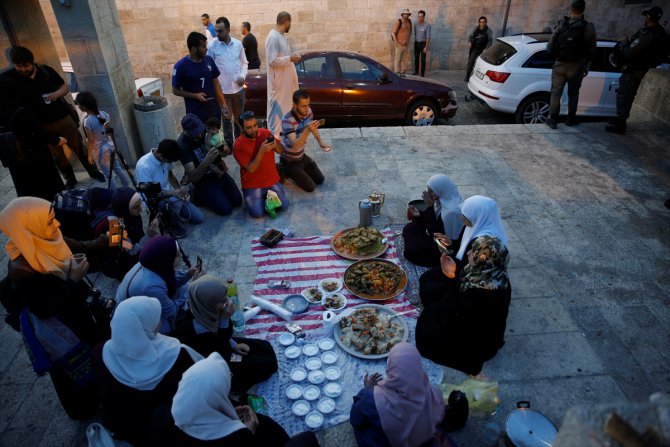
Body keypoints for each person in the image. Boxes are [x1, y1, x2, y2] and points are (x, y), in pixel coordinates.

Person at [0, 197, 108, 419]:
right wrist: (73, 281)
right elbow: (43, 309)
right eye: (49, 222)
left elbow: (77, 245)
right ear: (29, 228)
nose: (56, 225)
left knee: (92, 356)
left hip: (79, 315)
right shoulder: (22, 270)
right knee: (72, 370)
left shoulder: (49, 238)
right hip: (62, 328)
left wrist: (102, 242)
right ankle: (84, 408)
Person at [416, 195, 511, 376]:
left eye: (473, 254)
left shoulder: (483, 293)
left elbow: (453, 311)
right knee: (429, 286)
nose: (469, 254)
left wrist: (451, 277)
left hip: (475, 338)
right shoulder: (491, 272)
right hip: (466, 311)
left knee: (426, 330)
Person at [92, 296, 203, 446]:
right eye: (155, 318)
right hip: (171, 429)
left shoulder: (100, 352)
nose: (159, 321)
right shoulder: (176, 355)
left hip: (129, 431)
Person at [155, 352, 319, 447]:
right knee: (306, 439)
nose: (231, 376)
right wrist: (250, 432)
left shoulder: (163, 414)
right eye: (226, 380)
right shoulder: (236, 437)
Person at [1, 46, 105, 189]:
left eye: (26, 65)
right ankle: (70, 178)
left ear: (32, 62)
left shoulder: (46, 71)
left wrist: (56, 95)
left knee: (80, 147)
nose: (23, 69)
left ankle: (93, 172)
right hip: (41, 125)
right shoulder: (10, 78)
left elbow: (64, 87)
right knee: (57, 155)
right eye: (19, 66)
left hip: (62, 118)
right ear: (14, 64)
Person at [174, 275, 278, 392]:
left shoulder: (205, 309)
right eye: (223, 301)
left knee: (265, 347)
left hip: (223, 342)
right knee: (268, 363)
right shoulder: (193, 329)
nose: (227, 302)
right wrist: (225, 321)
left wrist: (234, 344)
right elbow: (218, 351)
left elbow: (222, 336)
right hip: (217, 361)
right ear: (209, 302)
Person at [350, 343, 445, 447]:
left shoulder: (372, 398)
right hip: (422, 443)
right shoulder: (435, 392)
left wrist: (367, 390)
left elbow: (355, 420)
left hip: (388, 443)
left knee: (362, 429)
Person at [116, 235, 202, 334]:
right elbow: (172, 312)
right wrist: (193, 288)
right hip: (133, 322)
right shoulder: (151, 286)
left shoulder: (150, 263)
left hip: (140, 304)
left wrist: (187, 274)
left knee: (185, 289)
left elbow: (168, 278)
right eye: (177, 254)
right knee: (184, 308)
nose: (181, 256)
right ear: (166, 259)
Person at [606, 6, 667, 135]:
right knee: (627, 94)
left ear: (649, 18)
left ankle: (621, 123)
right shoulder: (659, 32)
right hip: (642, 68)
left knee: (624, 94)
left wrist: (624, 43)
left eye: (646, 16)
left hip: (634, 69)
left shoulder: (647, 34)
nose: (645, 19)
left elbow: (629, 52)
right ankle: (620, 119)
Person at [135, 139, 204, 238]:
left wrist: (180, 190)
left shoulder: (165, 157)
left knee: (199, 218)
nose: (170, 163)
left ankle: (172, 214)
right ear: (160, 156)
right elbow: (150, 194)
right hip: (155, 200)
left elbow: (171, 177)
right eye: (169, 161)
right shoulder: (144, 166)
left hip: (169, 194)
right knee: (165, 204)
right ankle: (170, 225)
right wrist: (173, 192)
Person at [177, 113, 243, 216]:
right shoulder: (183, 145)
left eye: (200, 131)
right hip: (203, 178)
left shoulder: (204, 128)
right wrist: (206, 161)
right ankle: (197, 194)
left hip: (217, 170)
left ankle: (217, 192)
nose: (199, 135)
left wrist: (224, 149)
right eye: (195, 133)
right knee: (225, 209)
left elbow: (221, 141)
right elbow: (193, 176)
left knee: (237, 201)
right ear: (185, 131)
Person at [89, 187, 160, 280]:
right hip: (115, 262)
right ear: (124, 208)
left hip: (123, 247)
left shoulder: (128, 212)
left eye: (140, 203)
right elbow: (131, 251)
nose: (141, 210)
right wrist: (148, 236)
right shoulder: (114, 226)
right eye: (135, 207)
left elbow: (138, 235)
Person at [545, 0, 597, 129]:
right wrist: (587, 66)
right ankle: (571, 119)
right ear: (583, 10)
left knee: (556, 93)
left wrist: (556, 57)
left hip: (560, 65)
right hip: (576, 66)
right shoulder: (589, 27)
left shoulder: (562, 24)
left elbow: (550, 46)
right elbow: (592, 50)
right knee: (573, 94)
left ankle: (552, 120)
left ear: (571, 9)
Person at [233, 111, 289, 218]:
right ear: (242, 128)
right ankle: (260, 198)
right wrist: (261, 150)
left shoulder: (265, 133)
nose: (254, 130)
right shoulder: (239, 145)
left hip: (271, 181)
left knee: (284, 206)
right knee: (257, 214)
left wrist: (275, 145)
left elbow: (281, 150)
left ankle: (265, 197)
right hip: (252, 185)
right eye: (249, 127)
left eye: (255, 125)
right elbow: (251, 169)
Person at [4, 107, 65, 201]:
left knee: (27, 188)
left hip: (12, 150)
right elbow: (35, 128)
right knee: (46, 186)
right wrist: (55, 140)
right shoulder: (22, 108)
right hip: (32, 151)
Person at [403, 174, 464, 267]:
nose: (428, 193)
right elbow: (434, 220)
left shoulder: (451, 212)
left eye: (432, 191)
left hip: (443, 247)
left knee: (410, 251)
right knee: (409, 228)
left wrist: (429, 207)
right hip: (435, 235)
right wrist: (420, 215)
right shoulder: (443, 200)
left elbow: (434, 232)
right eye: (428, 190)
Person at [172, 32, 230, 126]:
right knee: (200, 138)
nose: (206, 49)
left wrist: (223, 104)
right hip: (196, 113)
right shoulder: (180, 66)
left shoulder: (209, 60)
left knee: (214, 139)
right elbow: (175, 90)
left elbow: (216, 82)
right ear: (194, 49)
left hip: (213, 111)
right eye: (203, 47)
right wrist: (195, 95)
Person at [207, 16, 249, 148]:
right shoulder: (213, 46)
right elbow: (209, 66)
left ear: (228, 30)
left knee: (239, 117)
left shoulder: (238, 44)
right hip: (222, 92)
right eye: (216, 31)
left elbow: (244, 63)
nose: (217, 34)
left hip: (238, 90)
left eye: (220, 31)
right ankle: (230, 145)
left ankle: (240, 141)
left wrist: (243, 75)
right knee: (226, 118)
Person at [75, 91, 130, 189]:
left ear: (83, 107)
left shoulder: (88, 121)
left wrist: (90, 155)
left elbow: (91, 140)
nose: (78, 106)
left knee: (108, 176)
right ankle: (126, 186)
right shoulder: (104, 114)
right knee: (117, 168)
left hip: (100, 150)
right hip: (110, 145)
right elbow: (108, 130)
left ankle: (113, 194)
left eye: (78, 104)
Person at [281, 89, 330, 192]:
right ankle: (284, 169)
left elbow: (312, 127)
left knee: (320, 179)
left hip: (301, 155)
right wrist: (307, 130)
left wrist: (320, 142)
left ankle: (299, 171)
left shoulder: (308, 112)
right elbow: (295, 145)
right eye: (303, 106)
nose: (307, 109)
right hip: (290, 159)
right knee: (310, 187)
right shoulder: (287, 120)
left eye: (308, 105)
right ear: (294, 105)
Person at [265, 11, 301, 136]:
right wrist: (290, 58)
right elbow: (272, 60)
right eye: (290, 23)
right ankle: (275, 136)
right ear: (286, 22)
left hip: (285, 83)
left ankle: (284, 132)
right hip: (279, 84)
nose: (290, 25)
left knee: (286, 108)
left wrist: (291, 57)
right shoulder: (273, 37)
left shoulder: (280, 36)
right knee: (277, 110)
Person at [465, 17, 493, 82]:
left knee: (483, 63)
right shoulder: (476, 29)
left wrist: (486, 49)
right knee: (471, 61)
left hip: (484, 49)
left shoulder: (488, 30)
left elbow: (490, 41)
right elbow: (470, 36)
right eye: (481, 22)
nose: (482, 23)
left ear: (486, 22)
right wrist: (470, 42)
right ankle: (467, 75)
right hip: (475, 48)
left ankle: (482, 77)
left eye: (483, 22)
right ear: (479, 23)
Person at [392, 9, 412, 74]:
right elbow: (393, 33)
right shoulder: (398, 22)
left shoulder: (409, 22)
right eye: (405, 14)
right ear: (402, 14)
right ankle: (397, 73)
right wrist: (396, 43)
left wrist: (408, 41)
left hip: (406, 45)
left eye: (408, 14)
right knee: (398, 60)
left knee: (404, 60)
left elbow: (409, 32)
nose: (406, 15)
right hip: (399, 44)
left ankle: (403, 72)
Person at [413, 10, 431, 77]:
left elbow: (428, 37)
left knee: (423, 59)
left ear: (424, 17)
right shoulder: (415, 24)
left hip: (423, 43)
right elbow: (415, 33)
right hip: (416, 43)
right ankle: (416, 71)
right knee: (416, 58)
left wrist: (426, 46)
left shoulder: (427, 25)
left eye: (421, 17)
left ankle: (422, 73)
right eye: (419, 16)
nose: (419, 18)